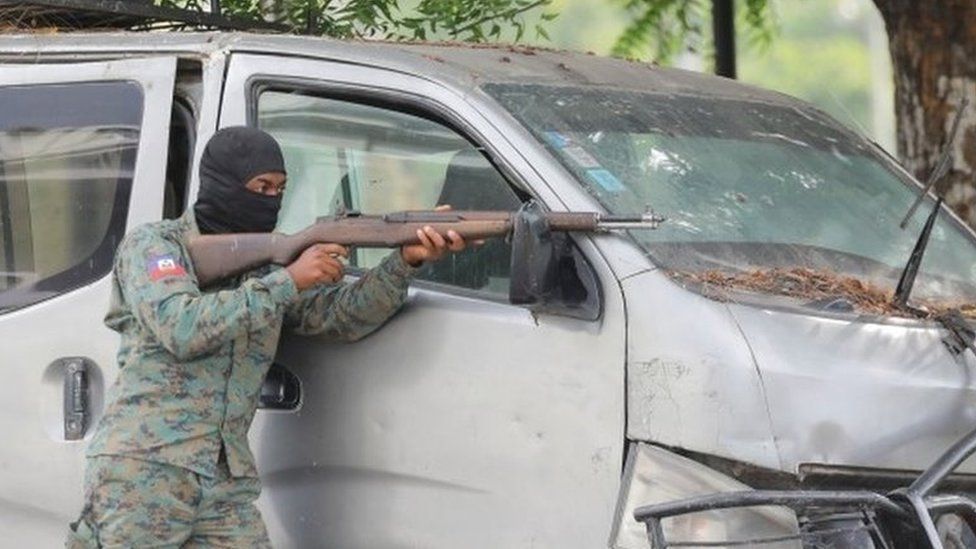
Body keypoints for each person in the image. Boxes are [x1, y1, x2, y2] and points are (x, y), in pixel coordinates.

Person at [67, 126, 467, 547]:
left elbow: (341, 316)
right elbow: (180, 327)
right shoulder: (155, 245)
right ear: (222, 185)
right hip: (146, 468)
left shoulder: (266, 270)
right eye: (260, 187)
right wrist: (289, 281)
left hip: (225, 480)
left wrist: (405, 261)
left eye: (280, 189)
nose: (271, 200)